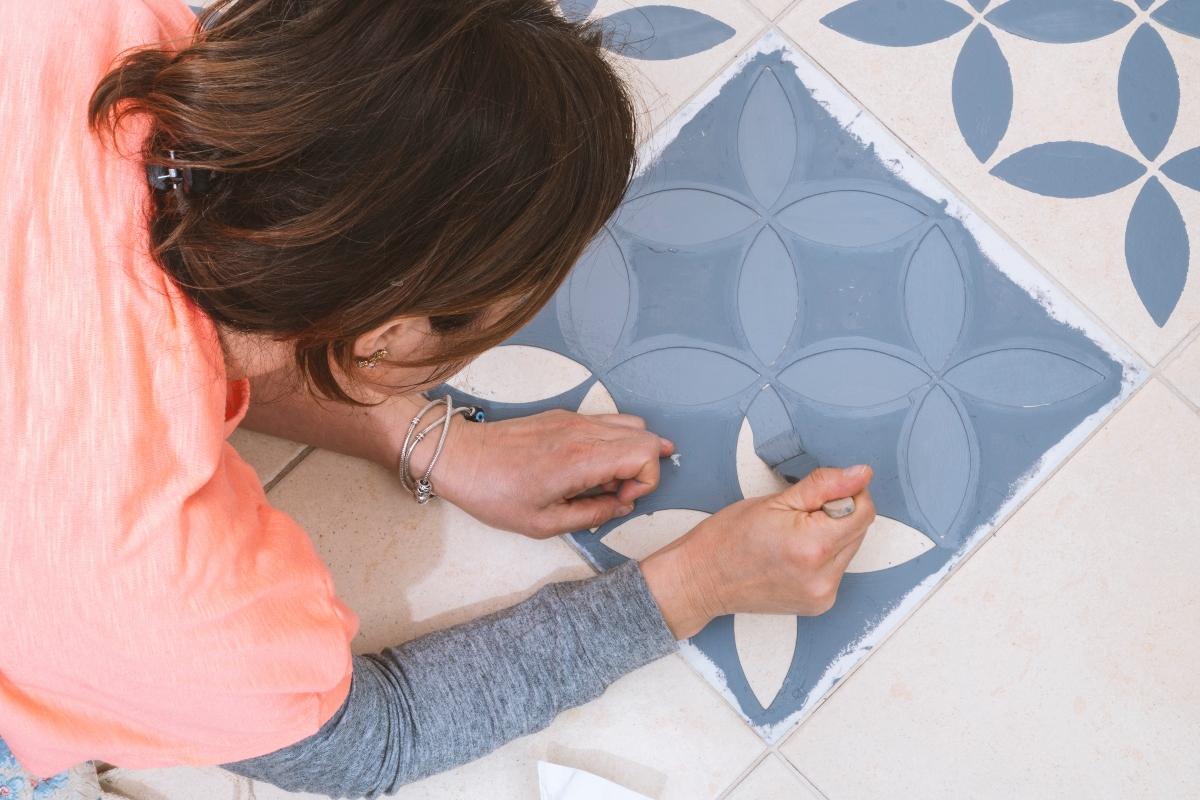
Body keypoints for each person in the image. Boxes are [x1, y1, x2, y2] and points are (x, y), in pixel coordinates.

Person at [0, 0, 876, 796]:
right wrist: (700, 581)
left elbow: (145, 322)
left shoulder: (80, 26)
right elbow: (369, 744)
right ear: (386, 336)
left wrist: (429, 438)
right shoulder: (149, 586)